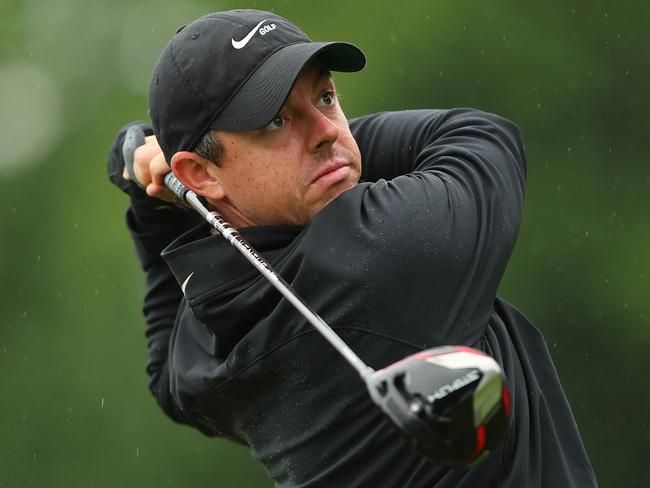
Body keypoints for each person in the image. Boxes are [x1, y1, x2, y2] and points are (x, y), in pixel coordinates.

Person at [107, 9, 597, 487]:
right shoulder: (385, 250)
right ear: (201, 174)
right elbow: (480, 135)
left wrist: (153, 203)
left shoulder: (212, 346)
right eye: (277, 121)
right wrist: (339, 150)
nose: (326, 131)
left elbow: (165, 376)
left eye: (325, 96)